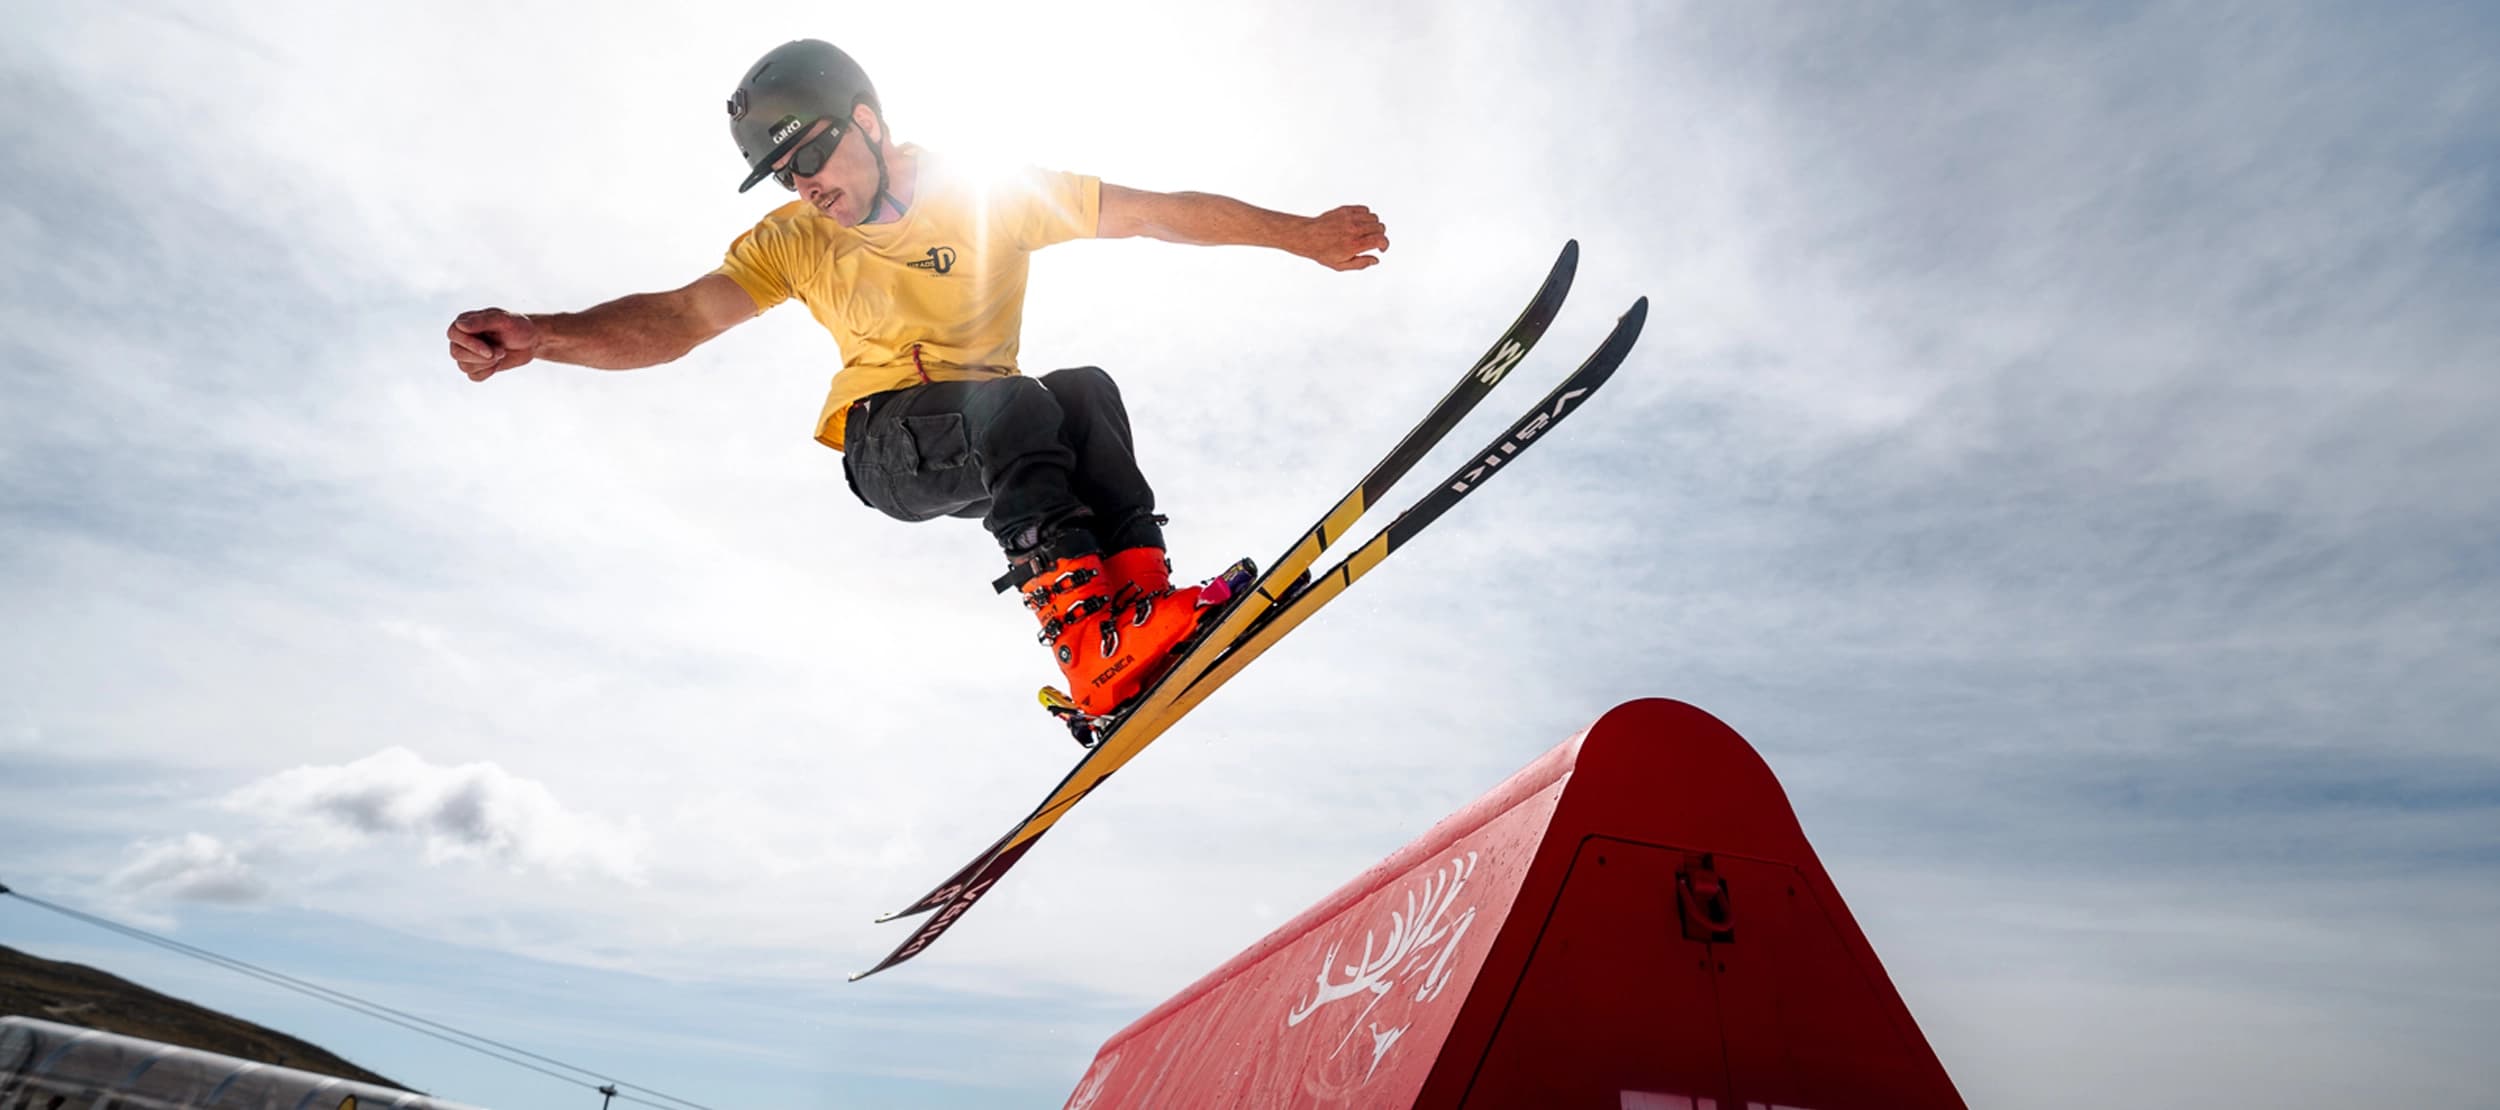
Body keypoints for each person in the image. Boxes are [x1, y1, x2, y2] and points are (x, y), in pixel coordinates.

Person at [445, 39, 1388, 718]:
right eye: (781, 173)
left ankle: (1139, 607)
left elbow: (1149, 213)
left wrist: (1297, 235)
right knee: (1014, 400)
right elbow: (682, 318)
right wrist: (546, 335)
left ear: (867, 122)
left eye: (809, 154)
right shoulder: (794, 242)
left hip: (994, 432)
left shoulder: (988, 194)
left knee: (1084, 392)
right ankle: (1088, 645)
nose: (804, 183)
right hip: (886, 447)